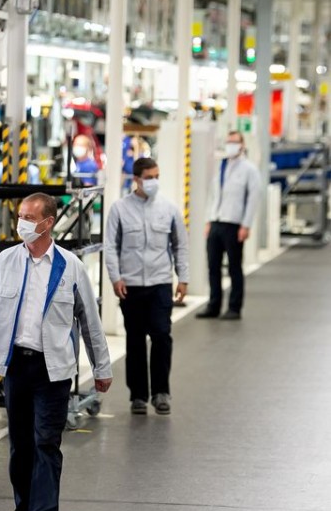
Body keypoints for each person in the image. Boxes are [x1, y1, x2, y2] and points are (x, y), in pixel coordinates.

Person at [0, 193, 112, 511]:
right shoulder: (5, 262)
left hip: (54, 370)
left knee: (46, 442)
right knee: (21, 445)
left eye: (28, 217)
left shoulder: (70, 267)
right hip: (16, 366)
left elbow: (90, 322)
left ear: (47, 223)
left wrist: (101, 367)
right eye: (20, 215)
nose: (21, 222)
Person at [104, 157, 189, 416]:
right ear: (137, 180)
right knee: (135, 340)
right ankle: (138, 396)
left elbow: (180, 245)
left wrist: (182, 278)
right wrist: (115, 277)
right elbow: (110, 246)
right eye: (149, 177)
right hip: (131, 286)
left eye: (156, 176)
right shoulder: (119, 209)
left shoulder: (170, 209)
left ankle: (161, 392)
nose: (154, 181)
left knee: (162, 335)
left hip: (160, 283)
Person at [197, 131, 262, 320]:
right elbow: (213, 196)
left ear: (242, 145)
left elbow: (253, 198)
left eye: (234, 142)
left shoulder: (249, 169)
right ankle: (213, 305)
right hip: (216, 222)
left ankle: (234, 307)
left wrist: (246, 225)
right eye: (228, 142)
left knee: (234, 267)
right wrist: (209, 220)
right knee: (213, 266)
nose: (230, 145)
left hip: (234, 224)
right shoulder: (221, 167)